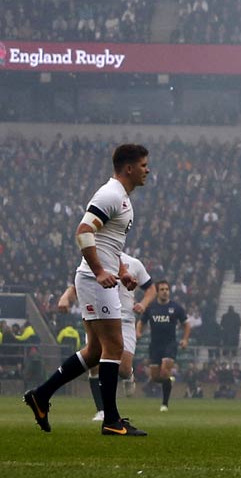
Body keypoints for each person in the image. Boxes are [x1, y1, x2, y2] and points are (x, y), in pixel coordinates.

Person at [23, 141, 150, 437]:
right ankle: (111, 420)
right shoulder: (111, 195)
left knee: (94, 351)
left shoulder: (122, 198)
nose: (148, 170)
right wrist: (100, 271)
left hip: (98, 279)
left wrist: (121, 272)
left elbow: (109, 244)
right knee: (114, 346)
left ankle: (41, 396)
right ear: (129, 168)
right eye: (144, 165)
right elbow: (83, 233)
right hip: (94, 281)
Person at [54, 253, 153, 425]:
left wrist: (143, 304)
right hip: (99, 316)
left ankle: (128, 375)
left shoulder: (134, 263)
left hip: (125, 319)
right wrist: (65, 297)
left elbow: (151, 288)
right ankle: (102, 411)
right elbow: (79, 283)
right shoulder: (95, 258)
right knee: (94, 364)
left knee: (122, 368)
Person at [140, 282, 188, 413]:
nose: (165, 291)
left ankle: (164, 404)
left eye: (167, 289)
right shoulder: (151, 307)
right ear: (157, 291)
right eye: (162, 289)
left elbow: (186, 324)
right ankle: (169, 380)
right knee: (155, 377)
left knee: (165, 369)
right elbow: (142, 321)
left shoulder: (176, 307)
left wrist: (184, 339)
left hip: (170, 344)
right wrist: (138, 332)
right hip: (155, 345)